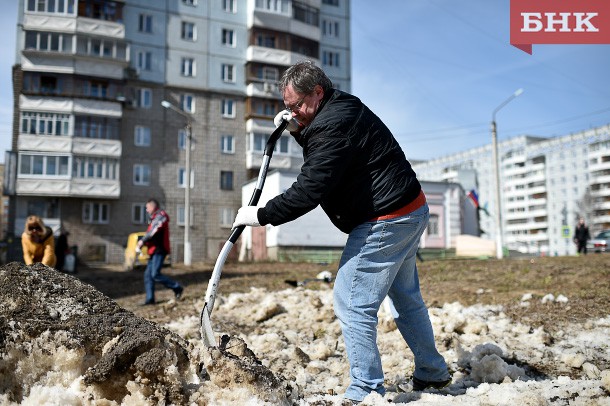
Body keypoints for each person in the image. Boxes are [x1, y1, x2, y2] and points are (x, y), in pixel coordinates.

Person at [233, 61, 450, 402]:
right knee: (406, 299)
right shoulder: (339, 106)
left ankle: (366, 390)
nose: (292, 112)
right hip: (410, 208)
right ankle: (432, 372)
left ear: (317, 92)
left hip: (387, 217)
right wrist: (296, 127)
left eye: (297, 106)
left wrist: (262, 215)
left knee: (351, 302)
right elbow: (326, 149)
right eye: (287, 107)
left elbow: (310, 187)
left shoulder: (333, 125)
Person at [136, 198, 183, 305]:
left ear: (153, 207)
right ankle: (150, 299)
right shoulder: (153, 218)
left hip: (159, 250)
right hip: (153, 251)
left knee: (155, 274)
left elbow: (153, 231)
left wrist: (142, 241)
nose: (146, 210)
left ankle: (177, 287)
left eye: (147, 208)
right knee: (148, 275)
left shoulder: (161, 217)